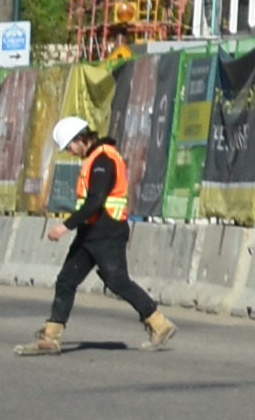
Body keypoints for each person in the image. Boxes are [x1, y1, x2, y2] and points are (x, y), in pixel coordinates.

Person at [19, 116, 171, 357]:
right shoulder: (95, 158)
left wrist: (65, 226)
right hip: (91, 232)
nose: (70, 152)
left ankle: (159, 323)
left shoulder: (103, 159)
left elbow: (96, 200)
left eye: (70, 146)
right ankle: (50, 337)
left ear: (80, 139)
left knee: (117, 281)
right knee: (66, 280)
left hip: (107, 232)